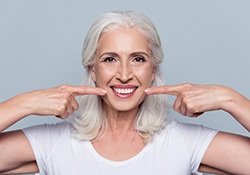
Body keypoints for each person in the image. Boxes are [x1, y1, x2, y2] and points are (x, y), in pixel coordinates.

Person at [0, 11, 249, 175]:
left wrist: (229, 99)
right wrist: (25, 103)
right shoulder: (53, 144)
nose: (124, 74)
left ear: (153, 69)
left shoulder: (183, 142)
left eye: (138, 59)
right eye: (110, 59)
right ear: (92, 69)